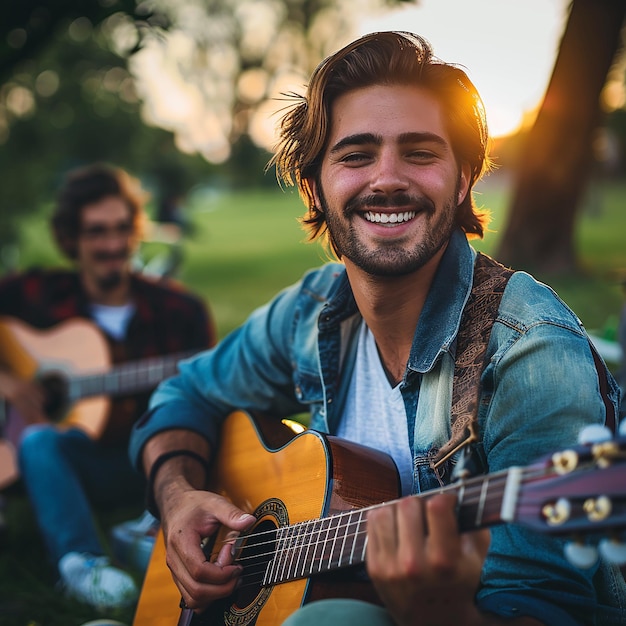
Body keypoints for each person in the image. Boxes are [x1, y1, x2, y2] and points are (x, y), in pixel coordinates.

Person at [129, 31, 625, 626]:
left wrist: (444, 615)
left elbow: (545, 608)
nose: (387, 179)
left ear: (464, 178)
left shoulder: (531, 353)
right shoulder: (310, 311)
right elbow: (184, 395)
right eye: (356, 154)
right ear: (313, 185)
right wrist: (179, 496)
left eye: (419, 152)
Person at [0, 163, 216, 611]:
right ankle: (84, 563)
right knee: (40, 439)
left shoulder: (179, 310)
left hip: (153, 460)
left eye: (122, 229)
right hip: (75, 461)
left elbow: (213, 392)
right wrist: (7, 381)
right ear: (70, 239)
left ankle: (146, 527)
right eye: (97, 232)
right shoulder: (37, 294)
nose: (113, 245)